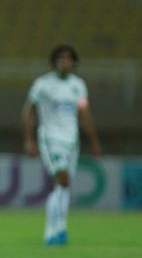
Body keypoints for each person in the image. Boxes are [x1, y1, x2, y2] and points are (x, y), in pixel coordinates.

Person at [22, 45, 101, 245]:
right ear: (54, 62)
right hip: (51, 139)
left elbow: (84, 112)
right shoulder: (43, 84)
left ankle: (60, 229)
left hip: (72, 141)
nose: (64, 61)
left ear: (74, 63)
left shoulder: (78, 86)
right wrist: (29, 139)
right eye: (60, 58)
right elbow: (29, 110)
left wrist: (94, 141)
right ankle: (50, 231)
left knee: (64, 186)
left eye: (68, 58)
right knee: (63, 180)